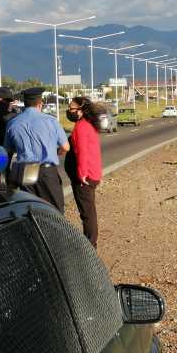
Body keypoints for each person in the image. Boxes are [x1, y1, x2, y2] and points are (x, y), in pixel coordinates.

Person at [5, 87, 70, 211]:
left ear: (25, 103)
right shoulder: (51, 121)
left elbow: (8, 150)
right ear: (40, 104)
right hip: (46, 172)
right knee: (55, 210)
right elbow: (65, 147)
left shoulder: (12, 123)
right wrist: (56, 153)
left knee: (31, 210)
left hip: (25, 171)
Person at [64, 97, 104, 247]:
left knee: (87, 212)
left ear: (81, 111)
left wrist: (82, 175)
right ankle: (90, 240)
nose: (69, 111)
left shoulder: (81, 127)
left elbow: (82, 152)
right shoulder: (88, 124)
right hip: (92, 173)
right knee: (88, 210)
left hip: (85, 177)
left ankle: (90, 243)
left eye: (71, 109)